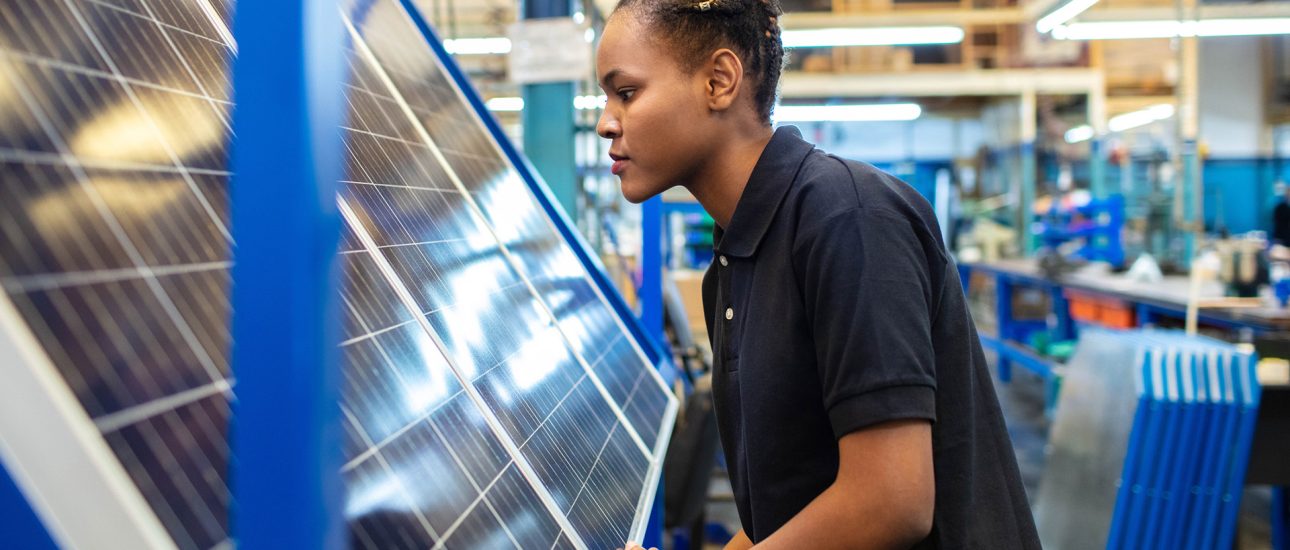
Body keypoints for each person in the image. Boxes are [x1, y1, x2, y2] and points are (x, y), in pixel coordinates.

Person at [597, 0, 1041, 548]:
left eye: (626, 92)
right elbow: (783, 517)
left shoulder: (848, 218)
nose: (605, 122)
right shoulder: (735, 262)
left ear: (719, 81)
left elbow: (891, 500)